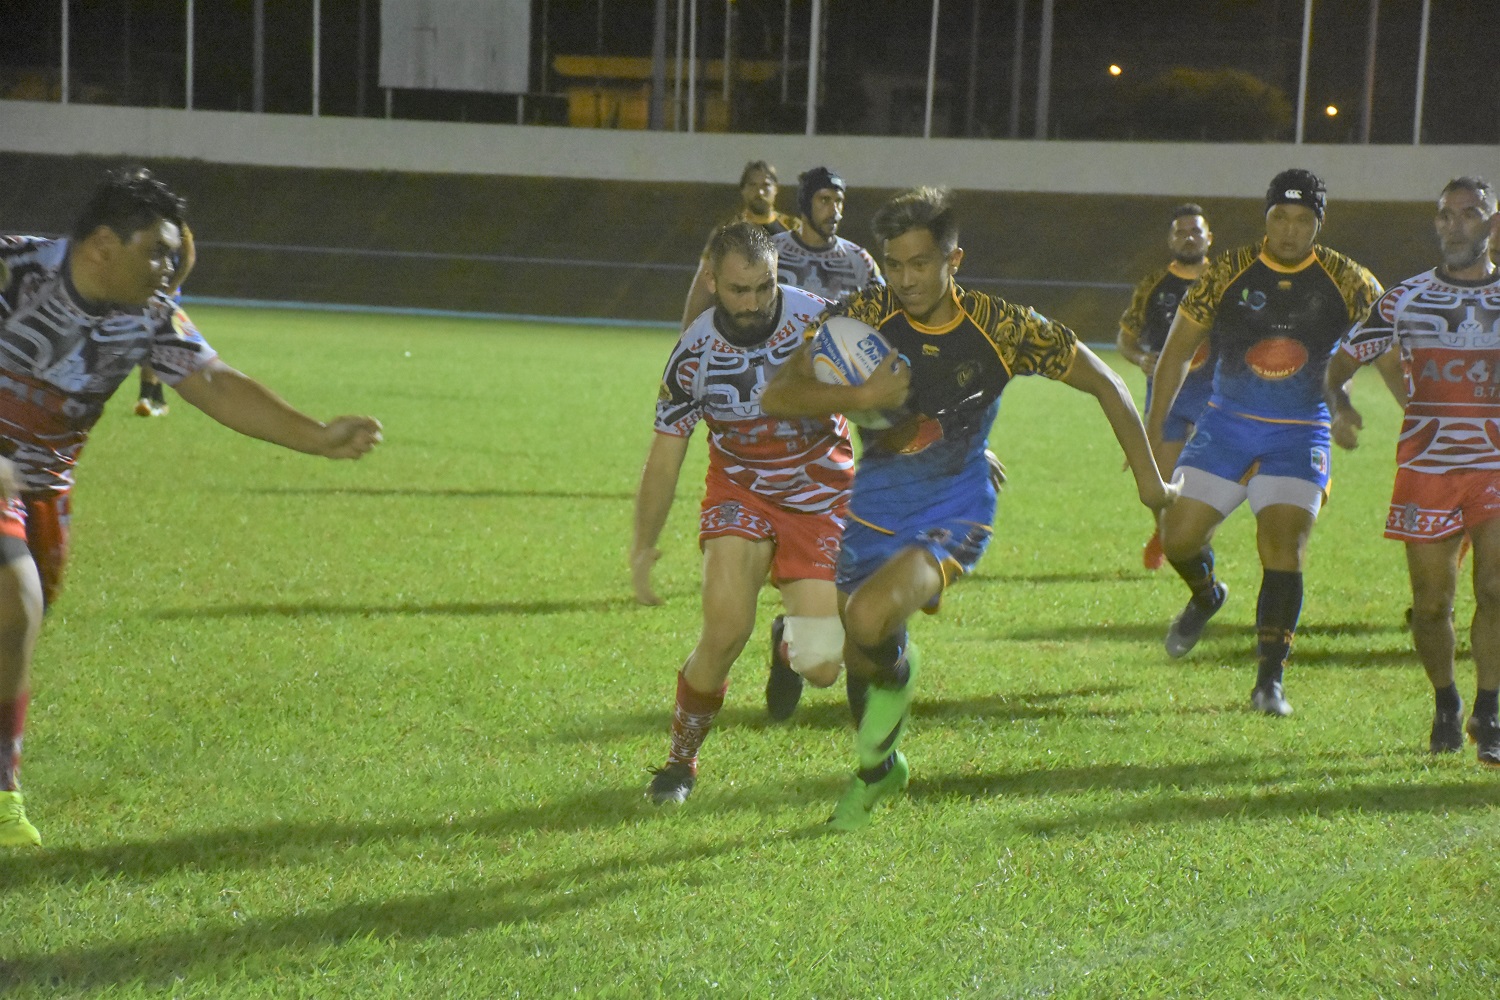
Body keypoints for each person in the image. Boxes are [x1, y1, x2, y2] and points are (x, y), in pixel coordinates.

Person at [762, 187, 1175, 830]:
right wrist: (859, 391)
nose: (905, 280)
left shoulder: (1002, 326)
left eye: (920, 263)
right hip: (870, 501)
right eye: (894, 265)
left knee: (869, 618)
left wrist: (1153, 488)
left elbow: (1107, 382)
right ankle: (877, 764)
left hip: (955, 507)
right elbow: (779, 394)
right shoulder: (866, 311)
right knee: (844, 653)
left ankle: (872, 765)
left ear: (955, 259)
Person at [0, 167, 382, 848]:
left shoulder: (148, 314)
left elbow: (214, 381)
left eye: (173, 254)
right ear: (101, 246)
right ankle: (4, 798)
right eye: (157, 251)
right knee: (13, 597)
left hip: (46, 494)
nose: (169, 267)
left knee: (15, 632)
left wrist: (317, 437)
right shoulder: (14, 269)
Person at [1147, 168, 1382, 718]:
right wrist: (1156, 424)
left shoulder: (1350, 280)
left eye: (1303, 220)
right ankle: (1207, 595)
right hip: (1226, 424)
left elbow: (1388, 345)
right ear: (1266, 216)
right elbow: (1178, 351)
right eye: (1281, 216)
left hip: (1301, 433)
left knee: (1281, 546)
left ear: (1319, 223)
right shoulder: (1226, 271)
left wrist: (1346, 405)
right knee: (1177, 538)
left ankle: (1269, 681)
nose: (1290, 230)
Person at [633, 222, 852, 805]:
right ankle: (679, 766)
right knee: (725, 629)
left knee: (824, 667)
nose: (753, 304)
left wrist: (959, 443)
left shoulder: (824, 322)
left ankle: (790, 640)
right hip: (741, 492)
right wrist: (642, 546)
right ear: (711, 281)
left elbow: (896, 383)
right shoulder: (692, 355)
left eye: (764, 288)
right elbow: (666, 455)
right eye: (737, 291)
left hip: (821, 494)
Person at [1324, 176, 1500, 766]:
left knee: (1495, 592)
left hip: (1495, 465)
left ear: (1492, 222)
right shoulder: (1405, 299)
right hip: (1427, 468)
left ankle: (1490, 712)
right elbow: (1341, 362)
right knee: (1431, 605)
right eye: (1445, 215)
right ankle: (1446, 701)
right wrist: (1341, 406)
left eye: (1469, 214)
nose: (1455, 225)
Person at [1117, 204, 1214, 569]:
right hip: (1165, 395)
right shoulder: (1152, 286)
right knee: (1158, 479)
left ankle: (1193, 534)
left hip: (1217, 392)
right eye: (1180, 232)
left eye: (1195, 231)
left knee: (1217, 475)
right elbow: (1125, 338)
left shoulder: (1226, 281)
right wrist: (1140, 357)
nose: (1188, 237)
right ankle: (1163, 532)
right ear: (1170, 239)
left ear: (1209, 238)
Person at [679, 161, 799, 329]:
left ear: (776, 189)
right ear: (743, 190)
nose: (760, 191)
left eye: (766, 185)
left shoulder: (795, 229)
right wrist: (686, 332)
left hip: (786, 324)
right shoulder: (727, 230)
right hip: (738, 325)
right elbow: (702, 282)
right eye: (753, 185)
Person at [134, 218, 196, 417]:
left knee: (153, 344)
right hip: (144, 291)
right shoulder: (143, 225)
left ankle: (144, 398)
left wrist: (171, 289)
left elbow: (189, 257)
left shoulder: (179, 227)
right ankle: (158, 400)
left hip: (166, 294)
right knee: (147, 346)